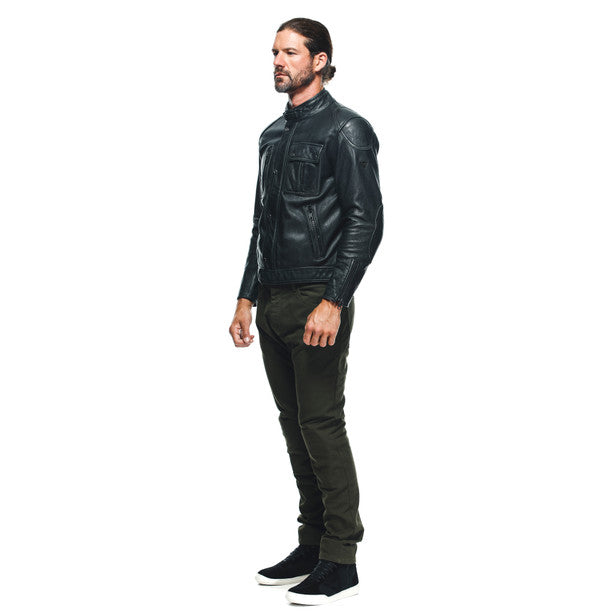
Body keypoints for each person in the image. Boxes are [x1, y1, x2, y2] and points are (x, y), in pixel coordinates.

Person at [229, 17, 384, 605]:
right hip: (272, 299)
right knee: (294, 425)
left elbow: (366, 221)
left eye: (291, 52)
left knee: (321, 424)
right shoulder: (272, 135)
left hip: (317, 298)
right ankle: (312, 541)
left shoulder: (348, 130)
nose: (278, 61)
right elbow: (261, 223)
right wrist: (246, 296)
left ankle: (340, 559)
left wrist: (334, 299)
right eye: (275, 52)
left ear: (320, 60)